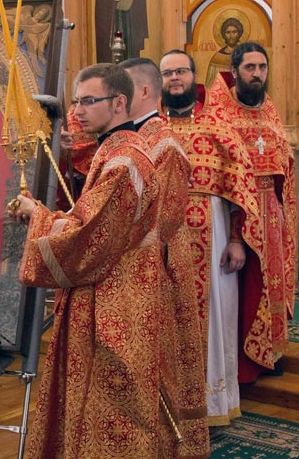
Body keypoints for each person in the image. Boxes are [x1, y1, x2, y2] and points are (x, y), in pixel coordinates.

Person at [10, 63, 174, 458]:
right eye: (76, 102)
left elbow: (89, 239)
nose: (77, 111)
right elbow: (92, 222)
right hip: (112, 290)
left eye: (88, 101)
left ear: (119, 102)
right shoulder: (113, 151)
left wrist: (38, 216)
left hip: (115, 298)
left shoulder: (125, 161)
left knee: (111, 403)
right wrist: (49, 217)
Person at [159, 49, 264, 426]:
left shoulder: (219, 125)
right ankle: (168, 407)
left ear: (194, 77)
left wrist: (237, 239)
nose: (175, 78)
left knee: (216, 320)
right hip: (159, 242)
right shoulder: (150, 128)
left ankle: (213, 406)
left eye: (181, 72)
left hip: (214, 238)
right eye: (168, 73)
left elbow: (240, 187)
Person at [123, 57, 209, 458]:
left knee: (162, 355)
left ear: (142, 91)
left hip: (157, 263)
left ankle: (168, 440)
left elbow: (166, 217)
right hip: (132, 263)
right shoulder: (131, 136)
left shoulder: (164, 142)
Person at [207, 42, 298, 384]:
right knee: (237, 286)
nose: (257, 74)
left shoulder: (268, 107)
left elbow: (282, 158)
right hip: (234, 211)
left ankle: (266, 354)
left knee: (267, 283)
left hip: (269, 211)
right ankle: (238, 366)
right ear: (234, 71)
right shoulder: (219, 112)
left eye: (262, 67)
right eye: (250, 68)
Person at [205, 17, 244, 87]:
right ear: (224, 35)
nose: (231, 36)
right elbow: (210, 85)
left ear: (239, 34)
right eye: (228, 32)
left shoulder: (245, 55)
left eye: (234, 32)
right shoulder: (217, 58)